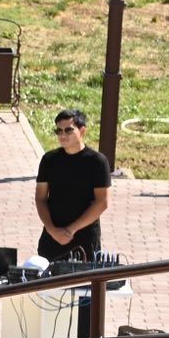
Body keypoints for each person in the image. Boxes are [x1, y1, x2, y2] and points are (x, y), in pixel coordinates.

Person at [36, 108, 112, 261]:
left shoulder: (97, 161)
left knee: (84, 277)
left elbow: (102, 202)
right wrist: (52, 230)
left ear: (82, 131)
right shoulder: (49, 160)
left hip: (84, 238)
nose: (62, 135)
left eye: (68, 130)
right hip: (52, 237)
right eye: (59, 131)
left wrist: (70, 230)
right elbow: (41, 198)